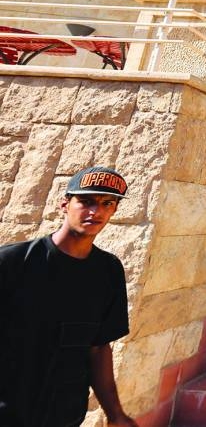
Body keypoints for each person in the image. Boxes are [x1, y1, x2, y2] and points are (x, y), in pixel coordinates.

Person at [0, 166, 137, 427]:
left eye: (107, 203)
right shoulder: (12, 262)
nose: (96, 212)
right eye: (86, 201)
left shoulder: (108, 271)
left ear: (114, 210)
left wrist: (116, 414)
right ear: (65, 204)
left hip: (64, 415)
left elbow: (98, 348)